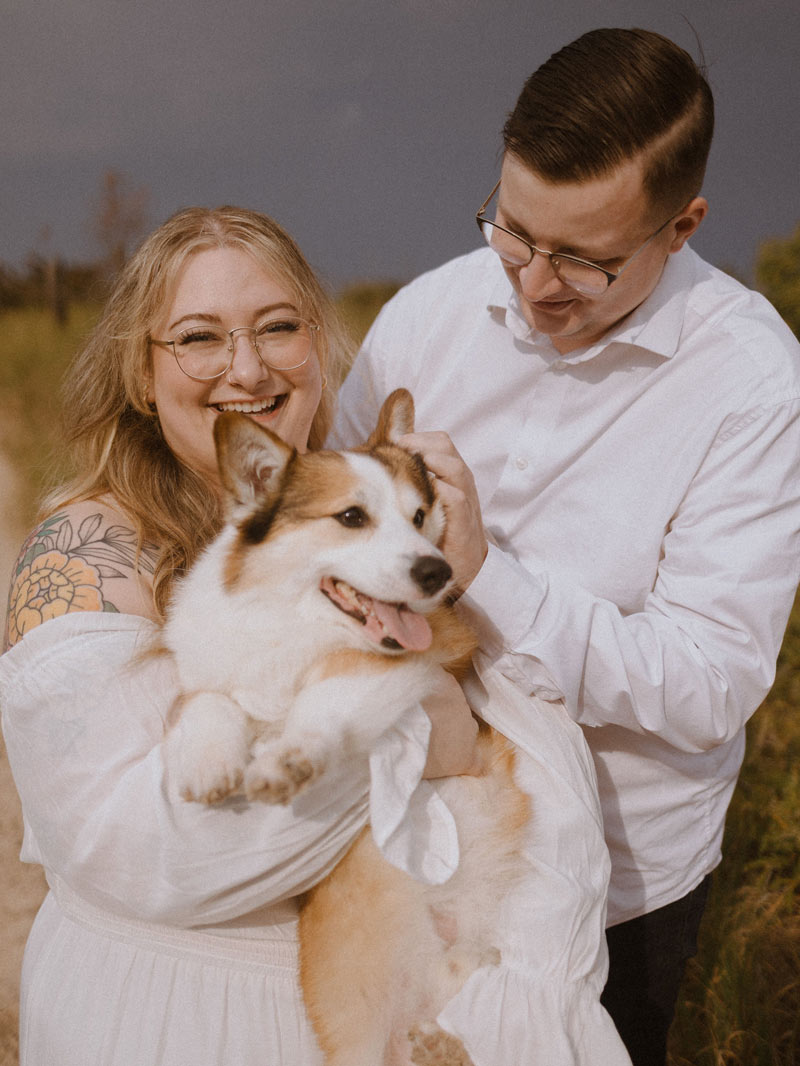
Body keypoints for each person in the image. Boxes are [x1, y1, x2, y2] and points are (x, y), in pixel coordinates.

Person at [1, 205, 631, 1064]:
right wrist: (416, 728)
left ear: (319, 347)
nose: (247, 367)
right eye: (198, 337)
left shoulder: (351, 511)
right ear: (141, 372)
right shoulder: (83, 556)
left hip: (345, 995)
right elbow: (136, 851)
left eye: (279, 327)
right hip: (167, 1013)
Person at [331, 27, 800, 1066]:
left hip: (617, 888)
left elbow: (707, 686)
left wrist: (489, 575)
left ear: (681, 227)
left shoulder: (755, 385)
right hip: (402, 840)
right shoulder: (428, 315)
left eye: (582, 260)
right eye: (512, 231)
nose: (532, 283)